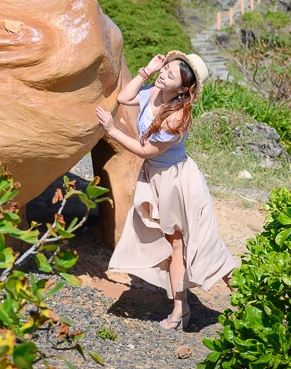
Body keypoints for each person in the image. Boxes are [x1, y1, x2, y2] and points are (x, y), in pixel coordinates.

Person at [95, 51, 238, 332]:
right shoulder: (154, 94)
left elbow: (145, 149)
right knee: (177, 246)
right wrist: (147, 71)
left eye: (170, 75)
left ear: (184, 89)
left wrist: (111, 130)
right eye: (166, 69)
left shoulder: (177, 118)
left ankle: (249, 299)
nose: (164, 74)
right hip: (157, 178)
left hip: (178, 182)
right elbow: (125, 98)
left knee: (201, 245)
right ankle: (181, 308)